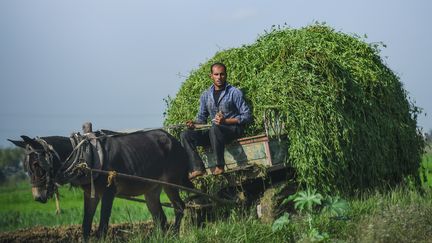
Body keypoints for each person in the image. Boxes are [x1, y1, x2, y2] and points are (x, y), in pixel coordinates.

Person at [180, 62, 252, 179]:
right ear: (211, 76)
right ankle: (197, 168)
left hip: (232, 130)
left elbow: (247, 116)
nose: (219, 77)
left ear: (226, 75)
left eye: (222, 74)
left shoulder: (234, 92)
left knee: (215, 128)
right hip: (215, 132)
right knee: (185, 134)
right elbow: (202, 118)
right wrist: (194, 123)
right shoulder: (206, 95)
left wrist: (226, 121)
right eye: (216, 74)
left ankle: (219, 166)